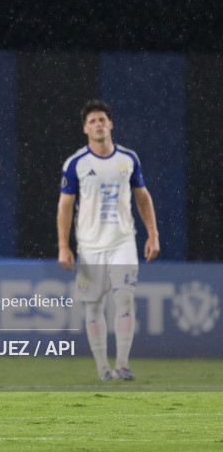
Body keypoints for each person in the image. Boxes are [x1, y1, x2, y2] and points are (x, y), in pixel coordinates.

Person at [57, 99, 160, 382]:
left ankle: (123, 364)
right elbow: (65, 206)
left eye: (102, 119)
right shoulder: (76, 164)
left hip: (123, 241)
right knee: (93, 306)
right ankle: (103, 368)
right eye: (92, 121)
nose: (98, 124)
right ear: (85, 129)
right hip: (89, 247)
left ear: (110, 124)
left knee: (125, 298)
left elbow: (142, 196)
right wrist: (64, 246)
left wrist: (153, 233)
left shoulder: (128, 159)